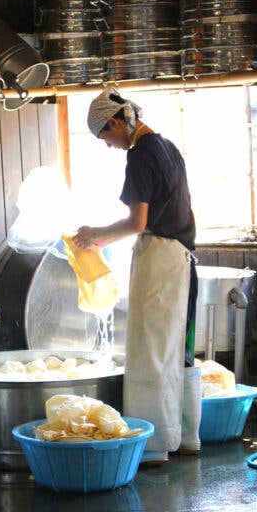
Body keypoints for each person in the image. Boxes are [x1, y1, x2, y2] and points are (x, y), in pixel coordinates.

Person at [74, 88, 201, 462]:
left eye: (105, 137)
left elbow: (137, 221)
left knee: (150, 352)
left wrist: (95, 235)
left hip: (160, 256)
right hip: (183, 255)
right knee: (179, 350)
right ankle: (187, 436)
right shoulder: (168, 148)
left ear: (115, 122)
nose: (109, 145)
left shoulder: (140, 155)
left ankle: (154, 444)